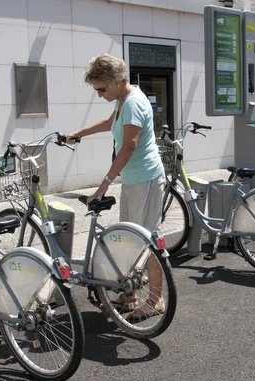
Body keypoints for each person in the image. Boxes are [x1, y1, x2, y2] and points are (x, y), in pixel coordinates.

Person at [67, 54, 165, 320]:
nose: (99, 94)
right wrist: (80, 133)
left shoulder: (133, 103)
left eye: (101, 88)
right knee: (131, 237)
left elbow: (129, 146)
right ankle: (130, 294)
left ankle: (155, 300)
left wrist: (105, 183)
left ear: (118, 81)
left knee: (149, 239)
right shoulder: (123, 100)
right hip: (135, 180)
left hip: (145, 179)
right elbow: (111, 123)